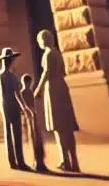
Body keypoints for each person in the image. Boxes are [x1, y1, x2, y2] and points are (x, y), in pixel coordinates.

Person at [34, 29, 80, 172]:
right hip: (61, 87)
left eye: (39, 40)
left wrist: (38, 89)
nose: (39, 43)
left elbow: (46, 72)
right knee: (66, 127)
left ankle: (65, 161)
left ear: (44, 40)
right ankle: (74, 161)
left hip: (53, 89)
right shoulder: (57, 53)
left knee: (58, 127)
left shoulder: (48, 54)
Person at [0, 47, 27, 171]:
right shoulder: (13, 77)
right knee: (16, 134)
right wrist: (24, 108)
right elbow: (17, 94)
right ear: (11, 60)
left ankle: (11, 162)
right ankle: (20, 161)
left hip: (4, 105)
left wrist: (1, 104)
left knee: (7, 134)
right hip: (13, 106)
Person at [19, 73, 48, 173]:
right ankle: (37, 162)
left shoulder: (29, 92)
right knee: (33, 140)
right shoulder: (23, 93)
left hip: (33, 118)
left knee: (37, 140)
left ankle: (39, 161)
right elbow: (24, 107)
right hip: (28, 119)